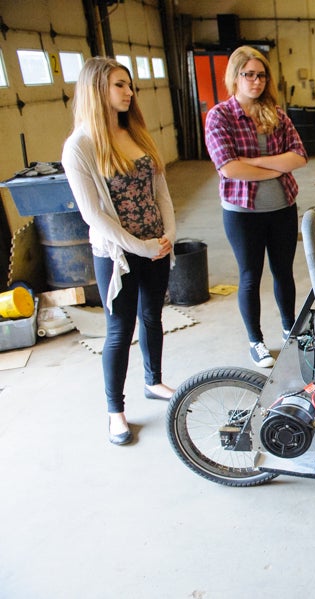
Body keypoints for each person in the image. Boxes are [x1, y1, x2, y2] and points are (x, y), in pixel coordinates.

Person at [62, 57, 177, 446]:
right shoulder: (80, 146)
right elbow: (94, 215)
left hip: (156, 248)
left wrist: (168, 235)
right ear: (98, 90)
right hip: (119, 256)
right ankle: (115, 411)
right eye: (120, 85)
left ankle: (154, 381)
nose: (129, 93)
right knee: (118, 331)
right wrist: (140, 246)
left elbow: (160, 189)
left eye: (129, 85)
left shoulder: (137, 132)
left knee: (152, 316)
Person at [204, 46, 308, 368]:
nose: (256, 81)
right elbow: (229, 168)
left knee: (283, 273)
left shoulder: (275, 114)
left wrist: (257, 163)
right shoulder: (219, 116)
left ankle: (290, 329)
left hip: (281, 207)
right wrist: (277, 167)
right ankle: (256, 340)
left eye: (261, 75)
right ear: (235, 77)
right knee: (250, 276)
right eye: (248, 74)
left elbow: (300, 156)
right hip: (242, 213)